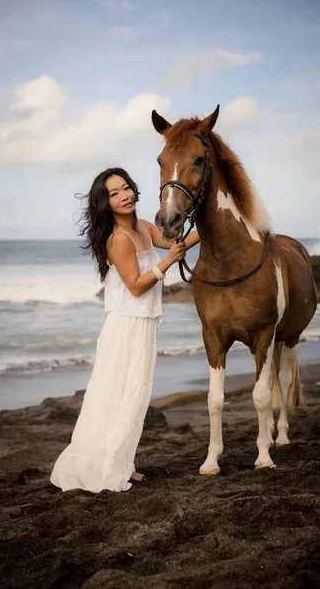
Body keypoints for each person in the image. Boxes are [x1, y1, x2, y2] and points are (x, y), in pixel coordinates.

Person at [50, 167, 199, 493]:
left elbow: (178, 242)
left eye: (126, 187)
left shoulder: (144, 227)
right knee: (114, 400)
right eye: (115, 193)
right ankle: (103, 469)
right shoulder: (117, 239)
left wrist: (210, 220)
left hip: (143, 326)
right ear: (106, 203)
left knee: (134, 402)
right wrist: (167, 262)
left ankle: (121, 464)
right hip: (125, 328)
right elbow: (135, 286)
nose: (124, 195)